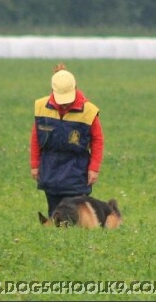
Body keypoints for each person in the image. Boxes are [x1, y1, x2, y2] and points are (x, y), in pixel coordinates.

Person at [30, 63, 104, 217]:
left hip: (77, 169)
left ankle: (77, 239)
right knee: (54, 213)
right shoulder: (41, 107)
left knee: (77, 215)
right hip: (50, 167)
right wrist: (35, 164)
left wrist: (94, 168)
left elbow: (97, 140)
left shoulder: (89, 111)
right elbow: (36, 137)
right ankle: (57, 239)